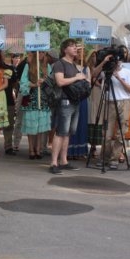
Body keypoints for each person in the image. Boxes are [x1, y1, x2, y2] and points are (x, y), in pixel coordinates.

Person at [49, 39, 87, 174]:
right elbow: (60, 82)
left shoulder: (74, 65)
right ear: (64, 49)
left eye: (76, 46)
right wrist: (76, 78)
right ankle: (54, 162)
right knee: (61, 132)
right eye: (72, 46)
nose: (75, 48)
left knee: (68, 133)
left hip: (75, 101)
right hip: (64, 101)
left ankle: (63, 161)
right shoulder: (60, 64)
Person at [100, 59, 130, 169]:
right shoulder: (106, 72)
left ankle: (114, 159)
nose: (116, 63)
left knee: (121, 133)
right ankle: (104, 157)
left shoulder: (127, 72)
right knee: (107, 133)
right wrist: (105, 63)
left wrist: (119, 78)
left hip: (124, 102)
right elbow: (95, 75)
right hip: (109, 102)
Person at [19, 52, 51, 161]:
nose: (41, 54)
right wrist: (34, 84)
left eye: (43, 52)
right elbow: (23, 82)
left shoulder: (47, 66)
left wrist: (45, 81)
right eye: (39, 52)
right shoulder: (28, 65)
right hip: (31, 98)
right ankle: (31, 149)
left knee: (40, 126)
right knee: (31, 125)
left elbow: (52, 81)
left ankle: (38, 148)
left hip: (43, 99)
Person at [67, 45, 90, 160]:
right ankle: (69, 150)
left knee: (81, 123)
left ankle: (80, 151)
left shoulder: (86, 68)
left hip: (83, 98)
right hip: (73, 96)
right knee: (71, 123)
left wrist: (84, 79)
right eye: (78, 52)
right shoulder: (71, 66)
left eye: (82, 52)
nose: (80, 54)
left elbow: (89, 83)